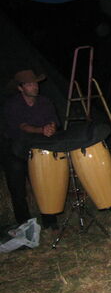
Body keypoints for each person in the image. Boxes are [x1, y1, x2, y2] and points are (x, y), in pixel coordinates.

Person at [1, 69, 60, 230]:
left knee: (44, 184)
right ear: (20, 88)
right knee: (17, 188)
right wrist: (41, 130)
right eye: (29, 84)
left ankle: (50, 221)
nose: (34, 87)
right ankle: (24, 224)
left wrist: (51, 127)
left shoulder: (45, 102)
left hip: (38, 147)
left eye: (35, 83)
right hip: (16, 148)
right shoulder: (12, 104)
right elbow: (22, 126)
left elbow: (53, 120)